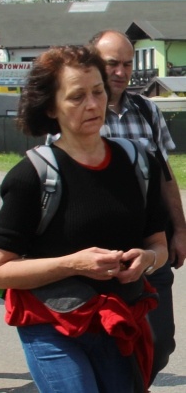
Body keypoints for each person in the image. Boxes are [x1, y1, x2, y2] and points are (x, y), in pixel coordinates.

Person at [0, 45, 168, 392]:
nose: (93, 105)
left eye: (98, 92)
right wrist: (73, 264)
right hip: (49, 322)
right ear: (52, 107)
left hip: (115, 320)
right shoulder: (32, 176)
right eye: (77, 97)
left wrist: (147, 260)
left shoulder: (138, 164)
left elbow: (157, 244)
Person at [90, 29, 184, 382]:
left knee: (158, 343)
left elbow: (165, 177)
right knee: (107, 340)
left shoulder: (146, 111)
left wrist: (180, 231)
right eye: (112, 63)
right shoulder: (76, 111)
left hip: (150, 241)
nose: (121, 71)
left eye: (127, 64)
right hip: (96, 248)